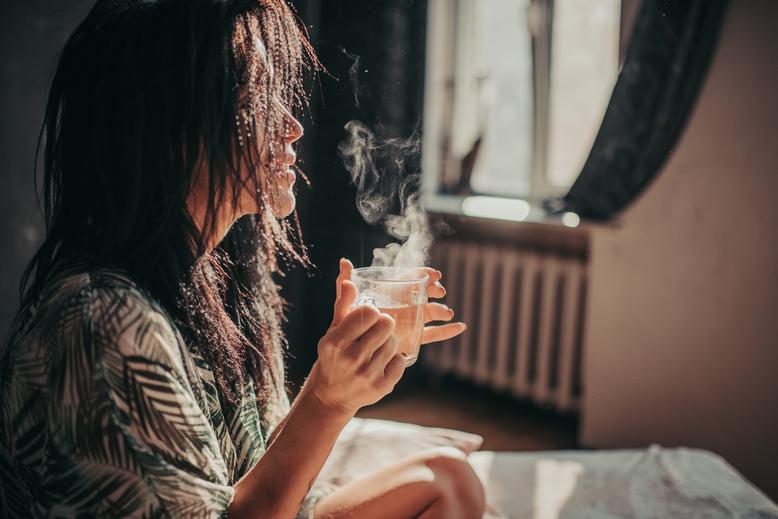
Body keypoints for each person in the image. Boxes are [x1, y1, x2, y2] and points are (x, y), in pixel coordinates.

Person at [0, 1, 486, 518]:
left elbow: (255, 471)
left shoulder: (217, 281)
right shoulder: (105, 324)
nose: (293, 126)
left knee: (446, 478)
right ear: (171, 124)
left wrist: (341, 382)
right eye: (261, 98)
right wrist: (325, 403)